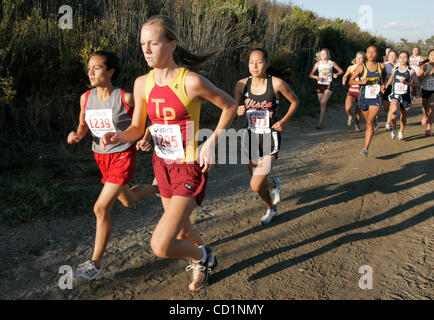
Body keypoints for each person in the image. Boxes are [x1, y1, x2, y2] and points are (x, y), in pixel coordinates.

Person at [100, 15, 237, 291]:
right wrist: (118, 135)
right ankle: (202, 258)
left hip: (188, 167)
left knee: (161, 245)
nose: (146, 50)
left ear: (172, 45)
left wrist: (211, 143)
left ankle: (203, 257)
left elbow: (231, 106)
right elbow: (138, 127)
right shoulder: (142, 84)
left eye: (153, 43)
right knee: (183, 229)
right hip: (162, 166)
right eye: (142, 44)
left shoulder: (192, 82)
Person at [67, 51, 159, 281]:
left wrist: (146, 135)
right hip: (101, 157)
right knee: (127, 200)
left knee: (100, 208)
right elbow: (82, 126)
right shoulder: (85, 98)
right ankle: (159, 188)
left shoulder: (125, 98)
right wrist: (77, 135)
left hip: (123, 155)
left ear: (110, 71)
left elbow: (150, 117)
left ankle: (95, 264)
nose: (90, 72)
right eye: (89, 67)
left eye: (96, 67)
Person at [234, 48, 299, 225]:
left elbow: (295, 101)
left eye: (259, 62)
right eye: (251, 62)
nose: (254, 66)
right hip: (251, 137)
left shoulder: (277, 83)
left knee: (256, 184)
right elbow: (235, 109)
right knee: (257, 182)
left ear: (267, 63)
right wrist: (237, 110)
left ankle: (273, 184)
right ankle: (271, 208)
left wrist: (284, 121)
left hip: (270, 137)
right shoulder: (241, 85)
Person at [349, 45, 387, 156]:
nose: (371, 54)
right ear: (366, 53)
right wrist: (361, 82)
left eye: (373, 52)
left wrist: (383, 85)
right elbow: (351, 81)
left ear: (377, 54)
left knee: (369, 122)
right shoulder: (361, 67)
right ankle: (372, 123)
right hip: (364, 97)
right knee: (368, 122)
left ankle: (365, 148)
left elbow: (384, 76)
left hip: (376, 97)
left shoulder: (381, 66)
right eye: (369, 52)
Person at [384, 51, 419, 140]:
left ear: (408, 59)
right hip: (395, 94)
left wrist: (406, 83)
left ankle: (401, 131)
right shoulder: (395, 70)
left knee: (403, 117)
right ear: (398, 59)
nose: (402, 59)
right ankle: (394, 128)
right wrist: (385, 87)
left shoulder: (411, 71)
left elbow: (417, 85)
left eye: (405, 57)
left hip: (405, 96)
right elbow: (390, 80)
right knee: (393, 110)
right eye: (401, 57)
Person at [309, 48, 344, 129]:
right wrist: (315, 77)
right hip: (320, 84)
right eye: (322, 54)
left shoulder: (332, 63)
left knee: (323, 102)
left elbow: (341, 71)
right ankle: (323, 113)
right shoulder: (318, 64)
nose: (323, 56)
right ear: (320, 55)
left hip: (329, 84)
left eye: (325, 54)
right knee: (322, 104)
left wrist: (336, 74)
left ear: (328, 55)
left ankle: (320, 123)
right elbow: (310, 74)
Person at [342, 51, 365, 131]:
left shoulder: (366, 68)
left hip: (362, 92)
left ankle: (357, 125)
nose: (359, 59)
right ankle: (350, 115)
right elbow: (345, 75)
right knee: (348, 107)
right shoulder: (351, 67)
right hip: (352, 91)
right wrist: (344, 79)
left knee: (358, 111)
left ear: (364, 59)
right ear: (355, 58)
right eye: (357, 57)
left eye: (361, 57)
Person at [418, 49, 434, 136]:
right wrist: (428, 74)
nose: (433, 57)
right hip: (425, 89)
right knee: (424, 106)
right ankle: (425, 115)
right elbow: (419, 78)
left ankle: (429, 128)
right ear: (428, 57)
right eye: (431, 55)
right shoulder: (425, 66)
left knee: (432, 105)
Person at [384, 49, 398, 131]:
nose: (392, 57)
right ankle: (391, 115)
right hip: (387, 87)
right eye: (390, 56)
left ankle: (388, 123)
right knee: (386, 108)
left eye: (394, 55)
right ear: (387, 57)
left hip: (396, 88)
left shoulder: (399, 65)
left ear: (396, 57)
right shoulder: (384, 65)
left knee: (393, 106)